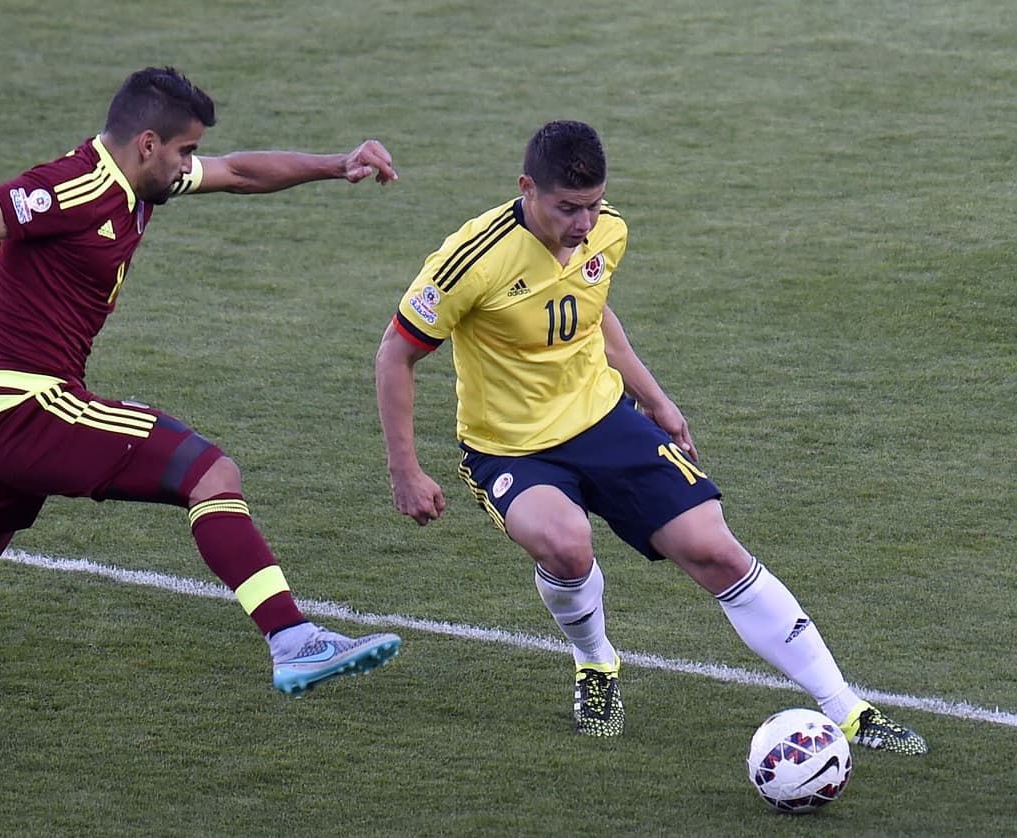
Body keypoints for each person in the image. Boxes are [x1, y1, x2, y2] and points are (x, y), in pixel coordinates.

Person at [0, 66, 402, 720]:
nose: (189, 165)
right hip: (25, 409)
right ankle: (294, 640)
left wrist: (335, 164)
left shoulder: (140, 182)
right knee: (209, 473)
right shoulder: (69, 187)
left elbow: (238, 172)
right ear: (147, 144)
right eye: (183, 151)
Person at [373, 119, 926, 753]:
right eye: (567, 207)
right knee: (565, 544)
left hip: (605, 420)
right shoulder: (472, 258)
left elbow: (593, 307)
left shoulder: (609, 230)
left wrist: (656, 398)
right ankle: (597, 662)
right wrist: (404, 470)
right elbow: (396, 353)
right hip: (510, 446)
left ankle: (847, 707)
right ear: (527, 188)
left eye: (591, 204)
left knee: (715, 549)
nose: (584, 222)